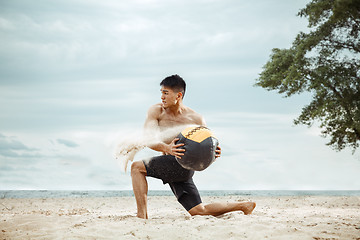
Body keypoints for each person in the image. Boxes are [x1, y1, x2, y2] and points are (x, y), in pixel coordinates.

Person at [131, 74, 256, 219]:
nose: (162, 97)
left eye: (166, 93)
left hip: (184, 165)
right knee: (198, 210)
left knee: (137, 167)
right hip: (172, 165)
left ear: (178, 95)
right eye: (161, 93)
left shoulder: (196, 119)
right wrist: (166, 148)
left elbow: (209, 144)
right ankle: (243, 206)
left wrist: (214, 152)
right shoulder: (156, 111)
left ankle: (142, 216)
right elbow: (147, 139)